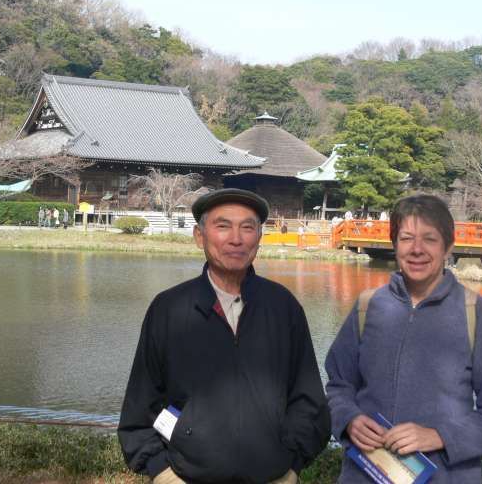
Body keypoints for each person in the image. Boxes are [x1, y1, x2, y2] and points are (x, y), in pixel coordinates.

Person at [119, 188, 330, 484]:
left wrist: (291, 465)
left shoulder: (283, 307)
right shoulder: (169, 309)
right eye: (222, 226)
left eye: (247, 227)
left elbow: (308, 401)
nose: (236, 238)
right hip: (186, 477)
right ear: (199, 236)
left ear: (259, 237)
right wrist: (161, 472)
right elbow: (140, 406)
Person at [325, 194, 482, 483]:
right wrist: (348, 419)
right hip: (366, 474)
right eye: (406, 238)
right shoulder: (368, 306)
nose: (417, 249)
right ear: (395, 245)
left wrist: (439, 436)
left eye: (429, 239)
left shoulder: (475, 312)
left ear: (448, 246)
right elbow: (338, 386)